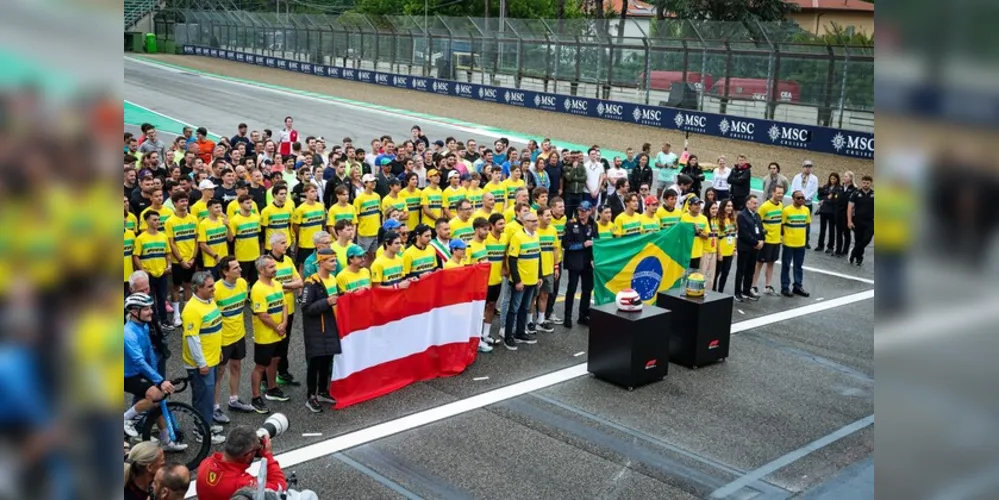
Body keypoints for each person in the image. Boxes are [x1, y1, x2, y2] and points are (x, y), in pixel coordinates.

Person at [123, 294, 186, 452]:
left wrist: (157, 376)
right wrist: (159, 380)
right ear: (133, 312)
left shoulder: (143, 325)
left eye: (150, 307)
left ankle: (165, 441)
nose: (151, 311)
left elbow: (149, 352)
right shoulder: (127, 333)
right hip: (127, 375)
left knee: (159, 401)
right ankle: (124, 420)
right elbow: (138, 361)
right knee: (156, 395)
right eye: (146, 309)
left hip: (139, 371)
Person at [181, 271, 226, 444]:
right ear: (198, 288)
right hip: (202, 364)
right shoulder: (192, 310)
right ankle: (202, 431)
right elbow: (192, 339)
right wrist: (201, 363)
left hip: (211, 358)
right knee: (203, 399)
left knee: (207, 397)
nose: (214, 289)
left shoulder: (209, 301)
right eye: (210, 286)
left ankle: (205, 423)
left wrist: (219, 349)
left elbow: (214, 328)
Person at [213, 257, 256, 416]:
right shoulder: (216, 290)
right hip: (223, 338)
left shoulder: (243, 284)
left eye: (239, 266)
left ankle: (234, 399)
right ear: (225, 272)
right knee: (219, 372)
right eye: (236, 268)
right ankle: (215, 407)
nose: (240, 270)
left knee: (236, 366)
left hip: (239, 334)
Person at [300, 248, 342, 413]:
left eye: (335, 260)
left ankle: (323, 391)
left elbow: (337, 298)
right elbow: (305, 308)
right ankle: (311, 396)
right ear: (321, 262)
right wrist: (326, 302)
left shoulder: (333, 279)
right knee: (314, 364)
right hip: (316, 330)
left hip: (331, 326)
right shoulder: (310, 283)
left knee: (327, 360)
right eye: (331, 261)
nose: (335, 263)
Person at [195, 426, 287, 500]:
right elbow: (278, 488)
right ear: (248, 455)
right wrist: (268, 455)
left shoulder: (205, 463)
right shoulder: (241, 484)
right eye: (257, 448)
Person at [249, 255, 289, 414]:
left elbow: (284, 304)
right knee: (260, 366)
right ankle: (255, 397)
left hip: (279, 332)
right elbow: (262, 314)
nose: (275, 269)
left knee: (275, 360)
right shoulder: (258, 289)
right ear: (261, 270)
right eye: (271, 267)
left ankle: (272, 388)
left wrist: (284, 323)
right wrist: (277, 327)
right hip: (265, 336)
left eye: (274, 266)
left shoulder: (277, 284)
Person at [268, 234, 304, 388]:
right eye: (282, 243)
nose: (286, 245)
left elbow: (300, 282)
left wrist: (282, 286)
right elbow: (267, 286)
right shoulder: (266, 262)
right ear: (273, 245)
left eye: (286, 243)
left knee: (285, 343)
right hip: (273, 310)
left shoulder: (288, 260)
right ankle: (266, 379)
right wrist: (290, 285)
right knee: (272, 345)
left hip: (288, 308)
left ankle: (283, 372)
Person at [505, 211, 542, 350]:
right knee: (513, 309)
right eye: (533, 221)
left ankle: (520, 333)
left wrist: (539, 276)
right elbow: (512, 260)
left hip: (532, 280)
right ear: (525, 223)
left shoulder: (536, 235)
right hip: (521, 281)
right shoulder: (518, 237)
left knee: (525, 308)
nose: (536, 223)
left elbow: (538, 257)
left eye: (536, 220)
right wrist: (517, 281)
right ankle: (508, 336)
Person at [133, 210, 173, 331]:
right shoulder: (141, 238)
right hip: (149, 274)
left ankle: (164, 320)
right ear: (147, 221)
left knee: (162, 297)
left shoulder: (163, 236)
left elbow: (168, 253)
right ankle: (153, 323)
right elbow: (136, 256)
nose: (157, 222)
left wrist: (169, 265)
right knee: (149, 299)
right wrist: (143, 270)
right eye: (154, 220)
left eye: (158, 220)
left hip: (162, 272)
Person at [165, 192, 199, 328]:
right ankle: (176, 315)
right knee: (176, 287)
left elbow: (197, 240)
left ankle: (186, 312)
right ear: (174, 203)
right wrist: (180, 260)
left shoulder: (194, 219)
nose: (184, 203)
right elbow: (171, 243)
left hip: (191, 259)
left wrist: (193, 258)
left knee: (188, 285)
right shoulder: (170, 221)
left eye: (185, 201)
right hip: (177, 261)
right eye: (181, 201)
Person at [562, 201, 596, 328]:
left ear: (590, 211)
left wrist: (593, 258)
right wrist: (582, 245)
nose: (581, 213)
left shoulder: (593, 224)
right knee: (571, 290)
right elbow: (565, 244)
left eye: (584, 210)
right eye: (579, 210)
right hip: (575, 262)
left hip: (588, 262)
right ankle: (567, 317)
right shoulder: (571, 224)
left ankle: (583, 316)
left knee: (587, 290)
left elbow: (596, 242)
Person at [532, 206, 561, 333]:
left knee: (544, 295)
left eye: (550, 215)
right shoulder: (534, 231)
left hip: (549, 269)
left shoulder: (553, 230)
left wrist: (556, 266)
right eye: (547, 215)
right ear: (539, 217)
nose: (549, 218)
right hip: (535, 270)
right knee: (532, 298)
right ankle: (528, 322)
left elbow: (555, 249)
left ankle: (541, 321)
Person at [752, 186, 785, 296]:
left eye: (782, 193)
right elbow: (757, 222)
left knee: (771, 263)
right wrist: (760, 237)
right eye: (778, 193)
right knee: (759, 263)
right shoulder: (765, 207)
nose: (780, 195)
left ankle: (768, 286)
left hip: (776, 241)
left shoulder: (781, 205)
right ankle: (754, 286)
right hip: (766, 241)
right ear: (773, 193)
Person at [781, 190, 812, 297]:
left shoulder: (806, 210)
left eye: (802, 197)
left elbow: (807, 224)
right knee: (786, 266)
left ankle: (797, 286)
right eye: (798, 198)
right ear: (793, 199)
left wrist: (806, 240)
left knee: (798, 266)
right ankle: (785, 287)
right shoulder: (786, 210)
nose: (801, 199)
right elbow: (782, 225)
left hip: (801, 243)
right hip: (789, 243)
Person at [734, 195, 765, 302]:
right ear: (748, 203)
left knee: (750, 270)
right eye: (754, 203)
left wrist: (762, 240)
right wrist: (756, 242)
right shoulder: (742, 216)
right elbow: (744, 233)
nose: (756, 205)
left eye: (757, 203)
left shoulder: (757, 216)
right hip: (745, 247)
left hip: (755, 248)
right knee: (741, 270)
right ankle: (737, 292)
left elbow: (761, 229)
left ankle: (746, 291)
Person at [228, 194, 263, 285]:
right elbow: (231, 239)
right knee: (241, 281)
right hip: (241, 256)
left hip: (255, 255)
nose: (250, 205)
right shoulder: (234, 220)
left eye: (251, 202)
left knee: (255, 281)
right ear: (240, 204)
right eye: (247, 203)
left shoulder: (256, 218)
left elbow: (258, 236)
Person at [790, 160, 819, 248]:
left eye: (809, 167)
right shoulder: (797, 177)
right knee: (794, 220)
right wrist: (796, 198)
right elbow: (793, 188)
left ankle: (806, 241)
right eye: (806, 166)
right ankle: (794, 238)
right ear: (803, 167)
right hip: (796, 203)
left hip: (807, 203)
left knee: (806, 222)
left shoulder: (814, 178)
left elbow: (814, 190)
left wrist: (804, 198)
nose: (808, 168)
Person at [354, 173, 383, 261]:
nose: (374, 183)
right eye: (371, 182)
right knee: (362, 257)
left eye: (374, 181)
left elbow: (379, 213)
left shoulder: (377, 196)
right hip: (364, 233)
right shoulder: (359, 199)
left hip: (376, 231)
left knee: (373, 256)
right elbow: (356, 217)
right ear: (365, 183)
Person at [848, 175, 875, 266]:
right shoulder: (855, 194)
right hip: (857, 221)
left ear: (871, 183)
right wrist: (849, 221)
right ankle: (859, 258)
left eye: (868, 183)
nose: (866, 185)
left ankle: (853, 252)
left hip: (870, 221)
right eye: (864, 183)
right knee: (858, 240)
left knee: (866, 239)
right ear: (861, 182)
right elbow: (850, 208)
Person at [714, 199, 737, 293]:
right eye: (727, 206)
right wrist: (719, 253)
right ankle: (713, 290)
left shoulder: (732, 220)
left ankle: (721, 291)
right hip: (721, 252)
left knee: (725, 273)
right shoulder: (718, 220)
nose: (730, 208)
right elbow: (717, 238)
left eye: (731, 206)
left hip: (730, 252)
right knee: (716, 274)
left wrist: (734, 249)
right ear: (723, 207)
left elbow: (734, 236)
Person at [680, 197, 710, 271]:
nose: (698, 206)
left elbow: (707, 236)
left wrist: (699, 232)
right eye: (695, 204)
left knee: (693, 276)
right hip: (685, 252)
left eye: (699, 204)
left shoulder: (704, 218)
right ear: (689, 206)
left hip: (698, 253)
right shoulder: (684, 217)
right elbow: (680, 234)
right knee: (683, 276)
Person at [816, 172, 843, 254]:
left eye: (834, 179)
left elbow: (835, 200)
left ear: (837, 179)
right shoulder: (825, 187)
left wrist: (826, 199)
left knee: (831, 230)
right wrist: (827, 198)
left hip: (832, 212)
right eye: (831, 179)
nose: (832, 180)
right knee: (822, 229)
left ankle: (830, 247)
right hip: (824, 210)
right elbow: (820, 196)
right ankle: (820, 245)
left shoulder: (839, 188)